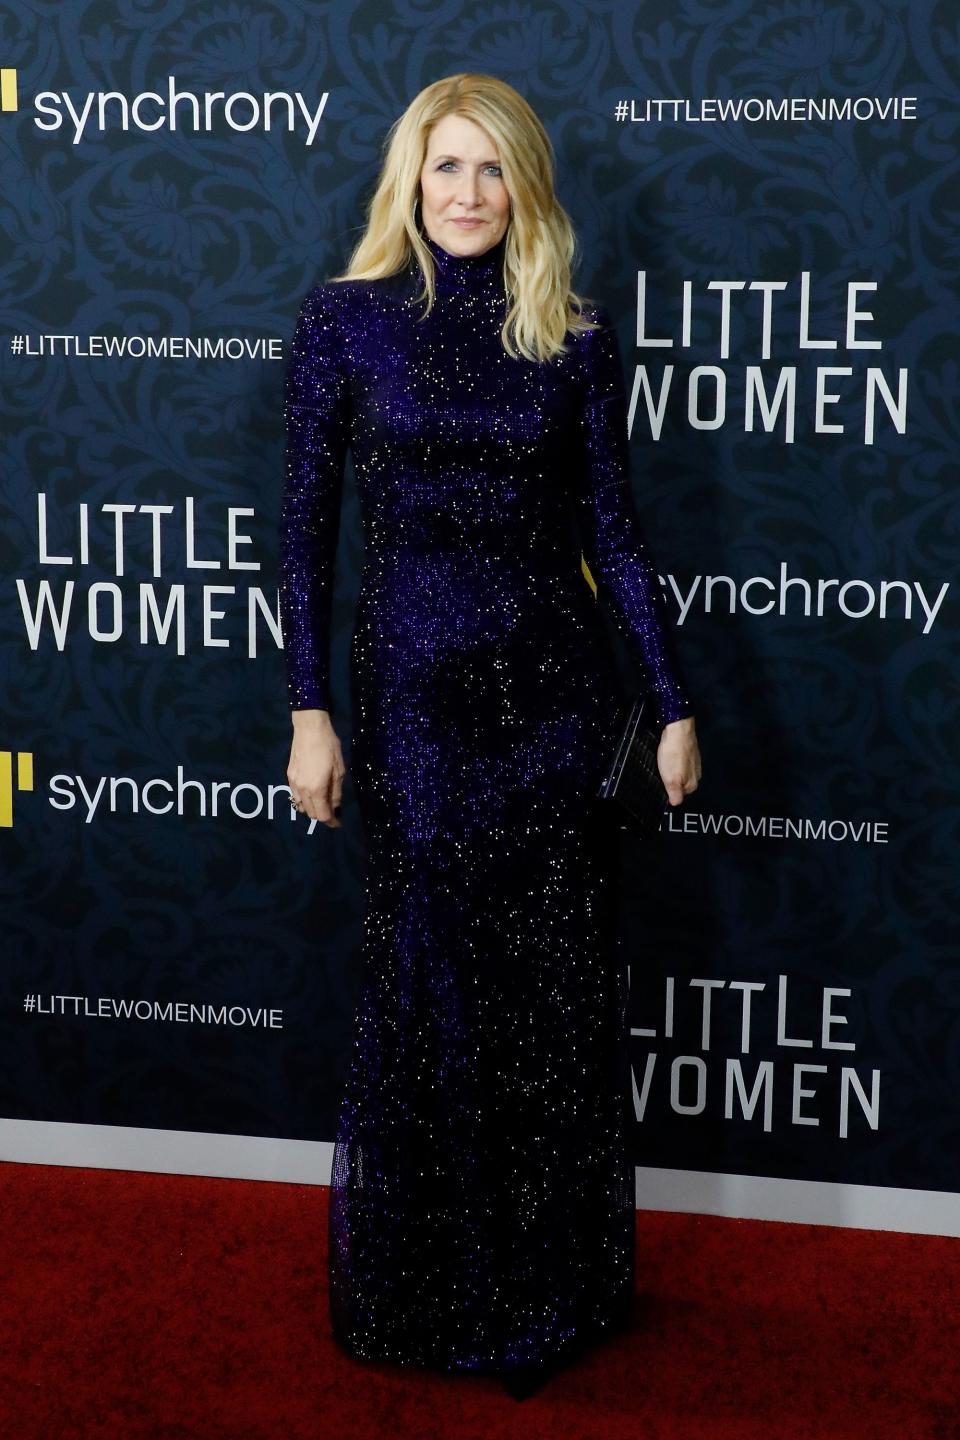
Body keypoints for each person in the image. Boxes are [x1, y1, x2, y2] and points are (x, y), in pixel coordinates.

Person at [278, 73, 702, 1401]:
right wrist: (307, 709)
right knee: (435, 987)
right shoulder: (344, 325)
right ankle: (429, 1285)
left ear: (527, 187)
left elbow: (616, 541)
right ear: (408, 178)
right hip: (410, 707)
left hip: (554, 706)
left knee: (549, 996)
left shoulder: (570, 332)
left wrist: (674, 702)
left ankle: (547, 1281)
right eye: (445, 166)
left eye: (491, 170)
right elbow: (300, 542)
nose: (466, 194)